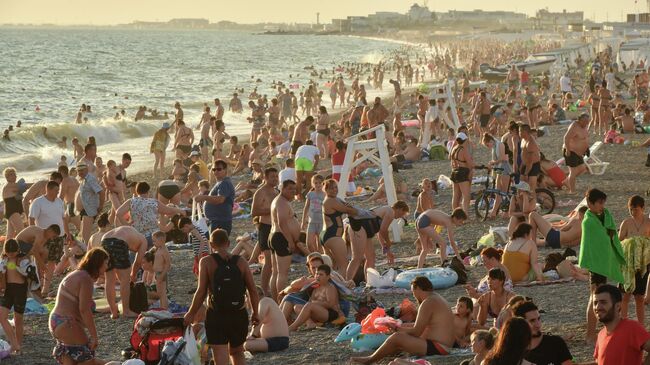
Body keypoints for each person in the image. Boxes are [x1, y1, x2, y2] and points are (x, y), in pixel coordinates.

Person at [183, 229, 259, 365]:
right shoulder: (241, 261)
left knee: (220, 356)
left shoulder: (206, 262)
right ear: (228, 243)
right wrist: (255, 313)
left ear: (211, 245)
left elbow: (201, 292)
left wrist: (191, 313)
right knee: (237, 352)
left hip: (217, 315)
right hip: (238, 313)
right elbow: (253, 290)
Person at [351, 276, 456, 364]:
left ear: (418, 288)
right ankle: (382, 355)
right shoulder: (435, 298)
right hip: (443, 345)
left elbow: (416, 331)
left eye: (413, 291)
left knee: (397, 338)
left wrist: (397, 329)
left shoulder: (428, 302)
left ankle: (370, 359)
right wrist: (399, 326)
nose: (413, 295)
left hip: (439, 347)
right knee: (400, 337)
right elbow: (419, 325)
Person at [578, 188, 626, 342]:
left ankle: (593, 331)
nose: (602, 206)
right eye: (599, 203)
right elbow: (603, 240)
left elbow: (610, 233)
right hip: (595, 264)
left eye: (603, 203)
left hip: (601, 263)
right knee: (594, 297)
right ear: (590, 203)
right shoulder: (588, 221)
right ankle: (590, 333)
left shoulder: (601, 216)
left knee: (597, 296)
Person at [49, 248, 110, 365]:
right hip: (67, 322)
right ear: (98, 263)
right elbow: (84, 309)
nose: (107, 267)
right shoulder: (85, 278)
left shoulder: (77, 274)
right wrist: (94, 336)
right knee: (87, 360)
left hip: (56, 320)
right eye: (106, 263)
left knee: (72, 359)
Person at [346, 201, 409, 278]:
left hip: (366, 231)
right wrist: (388, 241)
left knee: (371, 257)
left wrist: (387, 250)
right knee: (357, 258)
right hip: (359, 227)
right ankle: (347, 282)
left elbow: (379, 233)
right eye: (402, 214)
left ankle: (369, 281)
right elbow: (383, 230)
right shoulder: (390, 211)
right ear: (400, 209)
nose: (400, 217)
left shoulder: (386, 210)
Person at [28, 180, 68, 297]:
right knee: (40, 261)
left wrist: (67, 233)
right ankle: (39, 286)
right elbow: (31, 219)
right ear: (49, 189)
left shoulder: (59, 201)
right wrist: (33, 235)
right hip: (43, 237)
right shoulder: (38, 202)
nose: (58, 192)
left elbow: (63, 218)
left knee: (52, 262)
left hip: (59, 237)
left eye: (58, 190)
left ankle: (45, 289)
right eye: (56, 190)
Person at [593, 284, 650, 365]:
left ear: (618, 306)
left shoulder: (632, 328)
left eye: (603, 302)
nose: (597, 307)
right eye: (595, 303)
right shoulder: (600, 334)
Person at [101, 226, 147, 319]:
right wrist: (133, 275)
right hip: (119, 242)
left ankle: (113, 311)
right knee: (125, 280)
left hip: (105, 240)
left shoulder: (130, 232)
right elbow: (138, 262)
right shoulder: (143, 241)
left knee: (109, 279)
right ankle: (126, 311)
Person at [618, 195, 650, 324]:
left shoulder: (648, 222)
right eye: (630, 209)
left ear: (642, 208)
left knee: (639, 297)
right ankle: (623, 323)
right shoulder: (626, 222)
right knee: (625, 295)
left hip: (643, 263)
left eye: (635, 209)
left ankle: (640, 326)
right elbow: (619, 240)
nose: (633, 212)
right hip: (628, 264)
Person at [513, 300, 573, 365]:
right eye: (532, 321)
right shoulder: (513, 348)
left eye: (539, 319)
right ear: (520, 323)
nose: (538, 325)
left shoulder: (555, 343)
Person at [269, 180, 302, 301]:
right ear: (282, 188)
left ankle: (275, 299)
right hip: (281, 238)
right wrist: (290, 241)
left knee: (276, 272)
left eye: (294, 189)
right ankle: (280, 300)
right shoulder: (282, 202)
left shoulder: (279, 201)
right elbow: (282, 222)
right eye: (289, 189)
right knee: (282, 273)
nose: (293, 191)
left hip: (275, 236)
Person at [250, 167, 279, 297]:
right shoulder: (260, 192)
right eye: (272, 176)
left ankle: (273, 286)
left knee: (276, 260)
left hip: (276, 228)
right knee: (268, 261)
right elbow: (254, 212)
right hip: (265, 227)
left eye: (276, 176)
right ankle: (264, 288)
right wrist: (271, 210)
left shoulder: (276, 191)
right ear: (265, 178)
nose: (275, 178)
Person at [288, 264, 344, 331]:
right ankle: (310, 323)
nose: (318, 276)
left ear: (328, 277)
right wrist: (313, 303)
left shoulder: (330, 287)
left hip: (331, 314)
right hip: (319, 312)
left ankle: (293, 326)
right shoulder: (316, 287)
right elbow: (311, 301)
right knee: (297, 307)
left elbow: (330, 304)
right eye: (317, 274)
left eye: (321, 274)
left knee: (309, 305)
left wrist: (316, 303)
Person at [0, 239, 30, 354]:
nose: (11, 255)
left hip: (20, 290)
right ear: (5, 251)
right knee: (2, 317)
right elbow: (2, 275)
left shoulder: (23, 259)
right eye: (9, 253)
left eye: (14, 252)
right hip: (8, 290)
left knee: (18, 320)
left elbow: (28, 275)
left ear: (18, 250)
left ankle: (18, 346)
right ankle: (14, 344)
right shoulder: (4, 260)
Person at [322, 179, 357, 277]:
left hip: (327, 235)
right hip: (333, 236)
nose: (334, 190)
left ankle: (333, 287)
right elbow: (349, 210)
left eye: (335, 187)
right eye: (331, 188)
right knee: (344, 265)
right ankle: (343, 287)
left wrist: (350, 207)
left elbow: (347, 205)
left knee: (333, 267)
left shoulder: (335, 199)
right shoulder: (330, 201)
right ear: (326, 190)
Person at [244, 287, 289, 353]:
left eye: (246, 297)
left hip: (278, 341)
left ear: (252, 296)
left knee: (247, 345)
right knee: (242, 343)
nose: (245, 300)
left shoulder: (264, 301)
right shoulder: (265, 302)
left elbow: (259, 319)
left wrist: (253, 335)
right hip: (275, 340)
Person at [195, 160, 235, 234]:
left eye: (219, 169)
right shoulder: (220, 183)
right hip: (217, 220)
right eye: (214, 169)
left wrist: (204, 197)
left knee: (217, 244)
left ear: (225, 170)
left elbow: (220, 199)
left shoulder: (224, 183)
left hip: (221, 221)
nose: (216, 171)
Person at [481, 133, 510, 218]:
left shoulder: (500, 144)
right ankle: (494, 212)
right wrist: (492, 163)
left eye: (487, 145)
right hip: (499, 170)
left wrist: (493, 162)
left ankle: (505, 212)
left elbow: (502, 158)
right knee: (497, 192)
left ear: (490, 141)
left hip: (504, 169)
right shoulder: (494, 146)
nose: (488, 147)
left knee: (504, 192)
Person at [77, 162, 104, 245]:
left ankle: (88, 253)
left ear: (86, 170)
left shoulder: (90, 179)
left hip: (89, 211)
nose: (80, 172)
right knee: (82, 235)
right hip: (85, 210)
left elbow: (101, 192)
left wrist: (101, 206)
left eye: (82, 170)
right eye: (79, 171)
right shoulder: (84, 179)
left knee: (85, 236)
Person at [562, 113, 590, 194]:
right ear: (580, 120)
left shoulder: (584, 126)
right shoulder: (574, 127)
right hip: (571, 151)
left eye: (587, 122)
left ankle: (567, 181)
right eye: (585, 121)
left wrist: (586, 148)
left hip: (578, 152)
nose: (586, 123)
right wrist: (567, 150)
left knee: (582, 169)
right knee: (573, 172)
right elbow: (566, 138)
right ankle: (572, 191)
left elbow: (584, 138)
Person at [450, 132, 474, 214]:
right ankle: (465, 216)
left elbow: (452, 162)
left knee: (456, 195)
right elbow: (470, 163)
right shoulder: (463, 150)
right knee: (466, 196)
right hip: (462, 173)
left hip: (454, 172)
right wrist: (482, 166)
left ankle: (455, 215)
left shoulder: (454, 149)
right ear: (465, 140)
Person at [302, 175, 325, 253]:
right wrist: (303, 221)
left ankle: (321, 260)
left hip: (322, 222)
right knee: (309, 243)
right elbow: (306, 207)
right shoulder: (310, 194)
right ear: (312, 184)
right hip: (311, 222)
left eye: (320, 183)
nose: (318, 184)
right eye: (316, 183)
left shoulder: (325, 195)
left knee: (320, 244)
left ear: (323, 183)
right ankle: (315, 255)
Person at [2, 167, 25, 240]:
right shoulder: (9, 186)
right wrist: (38, 184)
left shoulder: (13, 186)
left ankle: (5, 251)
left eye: (15, 174)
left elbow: (19, 196)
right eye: (12, 175)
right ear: (7, 177)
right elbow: (24, 186)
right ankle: (22, 249)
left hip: (12, 212)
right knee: (22, 232)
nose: (15, 176)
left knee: (9, 236)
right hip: (13, 212)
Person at [151, 231, 171, 309]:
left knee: (162, 293)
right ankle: (162, 307)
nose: (153, 243)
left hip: (161, 273)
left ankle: (164, 308)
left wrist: (162, 275)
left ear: (161, 241)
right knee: (160, 293)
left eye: (154, 241)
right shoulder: (158, 249)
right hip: (157, 273)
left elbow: (168, 264)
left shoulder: (164, 250)